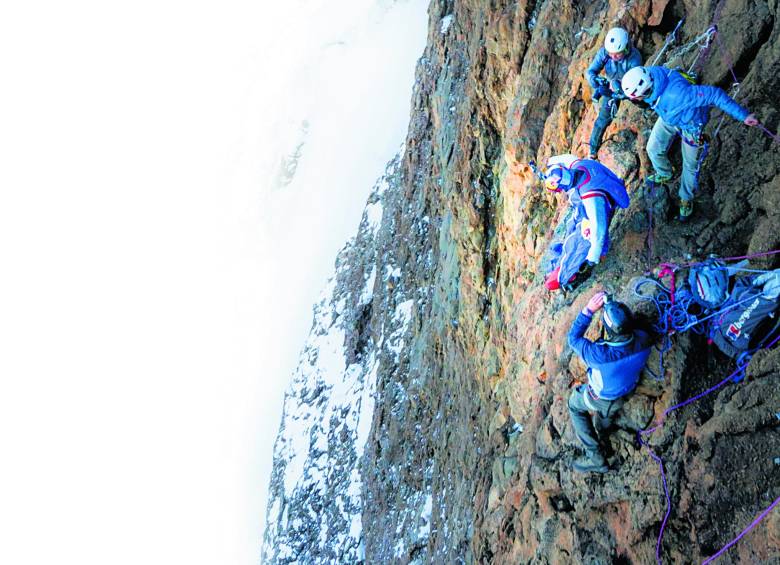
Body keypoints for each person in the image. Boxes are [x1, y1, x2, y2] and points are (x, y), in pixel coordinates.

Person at [621, 66, 759, 221]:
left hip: (690, 124)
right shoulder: (650, 74)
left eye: (635, 98)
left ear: (645, 91)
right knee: (652, 148)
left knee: (690, 166)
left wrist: (743, 116)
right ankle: (665, 173)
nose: (635, 102)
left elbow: (714, 94)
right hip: (669, 116)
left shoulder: (679, 95)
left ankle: (686, 198)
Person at [567, 291, 652, 473]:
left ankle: (596, 458)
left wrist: (588, 311)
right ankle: (604, 432)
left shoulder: (600, 355)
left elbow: (573, 338)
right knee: (605, 418)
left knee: (574, 406)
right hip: (625, 392)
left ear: (609, 332)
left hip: (600, 397)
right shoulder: (644, 340)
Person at [541, 155, 629, 292]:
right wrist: (549, 163)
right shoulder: (579, 165)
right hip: (608, 187)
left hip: (605, 203)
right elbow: (566, 158)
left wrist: (591, 259)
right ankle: (561, 265)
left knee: (582, 241)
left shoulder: (590, 197)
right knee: (573, 227)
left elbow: (598, 230)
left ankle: (564, 274)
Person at [585, 27, 642, 159]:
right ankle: (593, 151)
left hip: (630, 89)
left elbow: (635, 85)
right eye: (611, 53)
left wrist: (619, 88)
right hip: (611, 87)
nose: (613, 56)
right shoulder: (605, 53)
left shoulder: (634, 59)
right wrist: (595, 80)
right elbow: (590, 71)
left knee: (641, 105)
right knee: (602, 120)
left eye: (617, 54)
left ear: (626, 48)